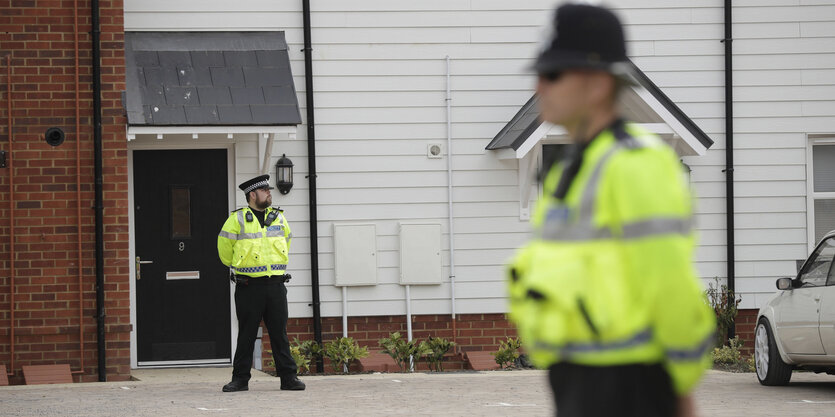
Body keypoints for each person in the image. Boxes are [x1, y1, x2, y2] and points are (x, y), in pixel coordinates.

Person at [507, 4, 715, 417]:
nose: (539, 85)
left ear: (598, 84)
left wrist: (681, 383)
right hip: (577, 378)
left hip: (631, 384)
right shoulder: (572, 170)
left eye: (553, 74)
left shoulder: (637, 163)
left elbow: (667, 280)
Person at [217, 174, 305, 392]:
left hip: (275, 285)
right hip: (249, 286)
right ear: (252, 195)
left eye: (269, 190)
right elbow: (224, 251)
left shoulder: (279, 218)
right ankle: (240, 379)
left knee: (279, 334)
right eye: (265, 191)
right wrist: (240, 266)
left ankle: (288, 378)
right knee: (246, 334)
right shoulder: (237, 219)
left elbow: (287, 241)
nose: (269, 194)